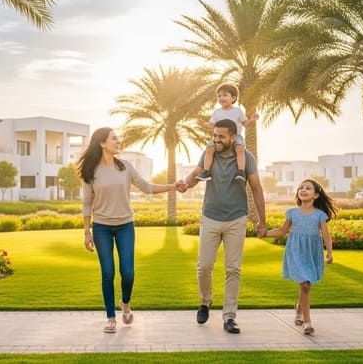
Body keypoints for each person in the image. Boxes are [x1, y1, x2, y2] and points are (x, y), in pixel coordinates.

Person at [78, 127, 182, 334]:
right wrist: (87, 232)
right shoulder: (90, 171)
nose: (118, 141)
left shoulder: (125, 167)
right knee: (107, 273)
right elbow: (87, 203)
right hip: (101, 227)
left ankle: (125, 303)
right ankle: (111, 318)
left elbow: (147, 187)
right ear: (102, 143)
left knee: (128, 272)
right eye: (114, 138)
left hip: (125, 225)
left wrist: (173, 186)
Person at [179, 118, 267, 334]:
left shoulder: (246, 158)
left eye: (221, 136)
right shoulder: (209, 153)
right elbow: (196, 174)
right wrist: (185, 183)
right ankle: (205, 302)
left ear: (233, 137)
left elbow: (256, 188)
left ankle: (229, 317)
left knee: (233, 269)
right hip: (210, 217)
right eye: (214, 135)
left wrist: (262, 221)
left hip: (236, 219)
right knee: (204, 266)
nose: (216, 140)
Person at [264, 178, 337, 335]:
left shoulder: (320, 215)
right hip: (296, 251)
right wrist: (266, 233)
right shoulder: (293, 213)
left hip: (312, 253)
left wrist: (329, 253)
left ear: (316, 195)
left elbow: (326, 235)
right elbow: (282, 231)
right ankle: (307, 322)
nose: (303, 190)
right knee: (304, 285)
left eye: (308, 188)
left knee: (306, 285)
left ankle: (299, 308)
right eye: (301, 188)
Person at [195, 83, 259, 183]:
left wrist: (252, 120)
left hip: (235, 136)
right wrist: (204, 124)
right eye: (219, 96)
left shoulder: (237, 111)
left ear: (233, 98)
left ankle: (241, 171)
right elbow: (212, 125)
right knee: (209, 149)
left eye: (225, 95)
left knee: (240, 149)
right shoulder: (217, 112)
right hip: (219, 138)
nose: (221, 98)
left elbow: (245, 123)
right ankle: (206, 171)